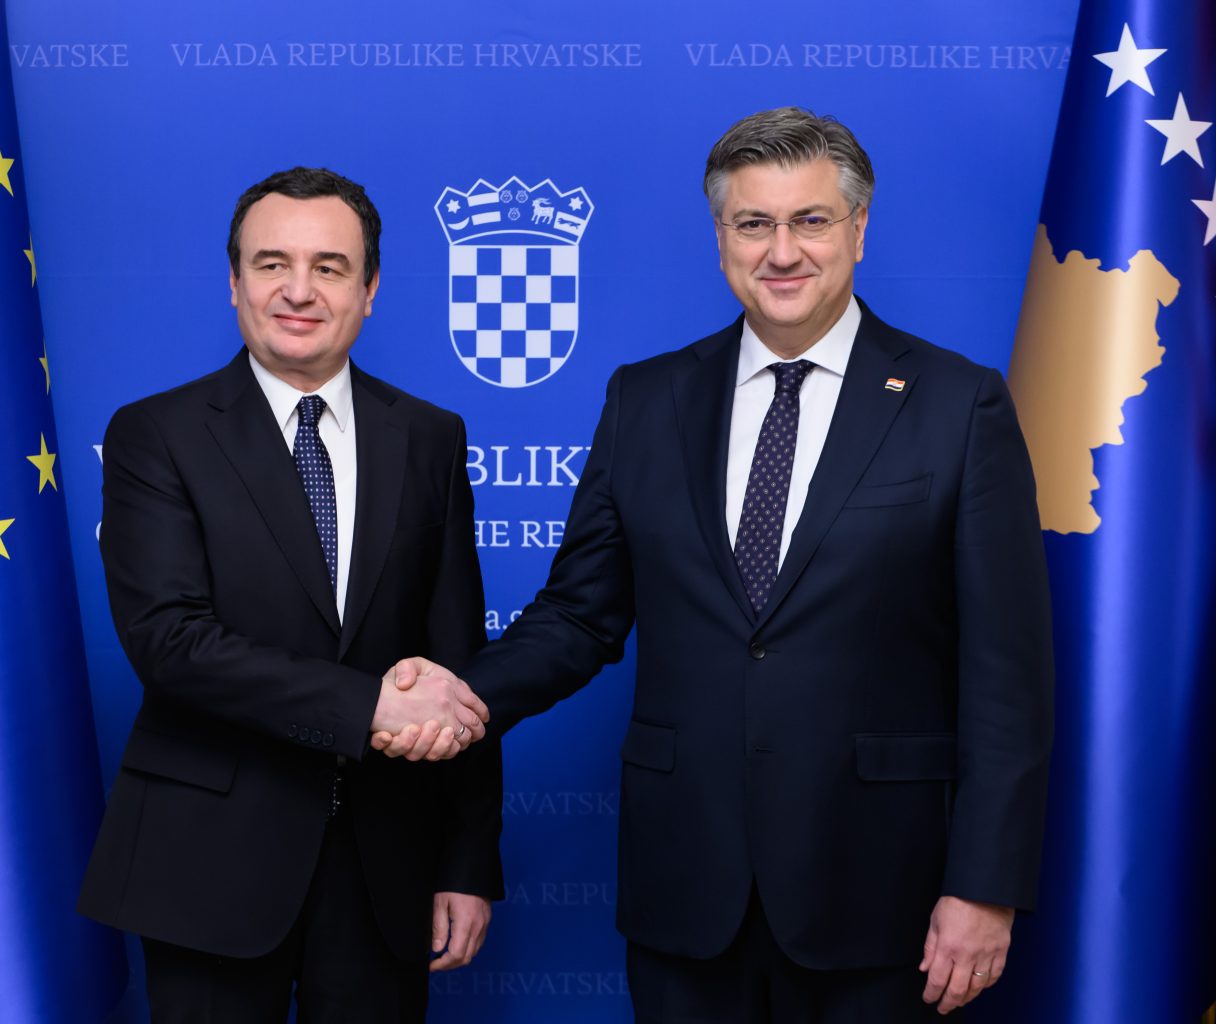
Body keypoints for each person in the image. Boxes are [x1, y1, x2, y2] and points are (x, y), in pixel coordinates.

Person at [378, 108, 1053, 1021]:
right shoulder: (647, 398)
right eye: (753, 223)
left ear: (859, 228)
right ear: (721, 237)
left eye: (811, 220)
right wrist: (462, 696)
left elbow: (1008, 675)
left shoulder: (958, 404)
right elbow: (578, 615)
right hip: (686, 887)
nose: (783, 251)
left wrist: (985, 885)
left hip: (882, 894)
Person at [79, 166, 502, 1024]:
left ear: (370, 289)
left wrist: (467, 861)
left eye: (329, 267)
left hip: (387, 863)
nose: (298, 291)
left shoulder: (429, 437)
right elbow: (170, 643)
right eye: (272, 263)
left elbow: (456, 659)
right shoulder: (155, 434)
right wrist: (367, 706)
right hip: (209, 863)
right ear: (234, 283)